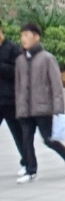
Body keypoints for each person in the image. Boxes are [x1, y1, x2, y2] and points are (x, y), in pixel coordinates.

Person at [14, 23, 65, 184]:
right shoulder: (20, 60)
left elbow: (56, 85)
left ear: (36, 37)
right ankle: (31, 170)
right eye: (22, 35)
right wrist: (19, 107)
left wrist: (58, 109)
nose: (23, 39)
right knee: (26, 139)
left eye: (26, 35)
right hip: (25, 109)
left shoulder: (47, 58)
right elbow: (18, 87)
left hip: (43, 108)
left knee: (48, 139)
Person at [0, 24, 26, 174]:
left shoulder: (12, 48)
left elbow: (18, 71)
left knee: (18, 132)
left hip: (9, 99)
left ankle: (27, 162)